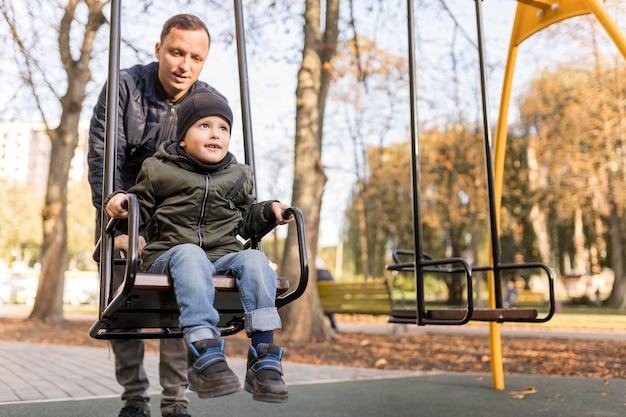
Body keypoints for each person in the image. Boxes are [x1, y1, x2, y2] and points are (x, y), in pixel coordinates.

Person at [105, 89, 293, 404]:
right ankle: (203, 348)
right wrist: (123, 202)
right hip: (170, 256)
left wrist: (269, 210)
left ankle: (264, 355)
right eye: (204, 126)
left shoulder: (238, 175)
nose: (215, 134)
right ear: (182, 138)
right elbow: (141, 207)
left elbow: (246, 220)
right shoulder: (158, 169)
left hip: (221, 258)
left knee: (255, 260)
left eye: (223, 128)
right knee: (190, 254)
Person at [87, 14, 222, 417]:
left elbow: (217, 165)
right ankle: (133, 399)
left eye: (196, 57)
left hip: (179, 218)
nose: (185, 65)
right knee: (121, 301)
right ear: (158, 49)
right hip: (125, 208)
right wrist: (117, 219)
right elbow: (102, 154)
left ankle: (175, 400)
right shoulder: (125, 87)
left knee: (182, 299)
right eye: (177, 52)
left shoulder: (207, 100)